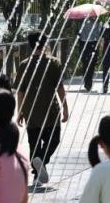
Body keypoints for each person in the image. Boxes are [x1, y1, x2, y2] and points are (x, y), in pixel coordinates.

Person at [15, 30, 69, 186]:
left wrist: (20, 111)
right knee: (54, 139)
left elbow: (21, 91)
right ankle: (42, 160)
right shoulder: (53, 63)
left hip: (31, 110)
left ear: (30, 45)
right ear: (45, 44)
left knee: (34, 142)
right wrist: (65, 107)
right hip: (50, 110)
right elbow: (59, 87)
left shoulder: (24, 64)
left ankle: (37, 175)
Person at [79, 17, 103, 91]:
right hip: (93, 44)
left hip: (84, 44)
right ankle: (89, 83)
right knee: (92, 64)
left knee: (85, 63)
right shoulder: (97, 23)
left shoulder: (82, 22)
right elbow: (99, 34)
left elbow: (79, 33)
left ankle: (87, 82)